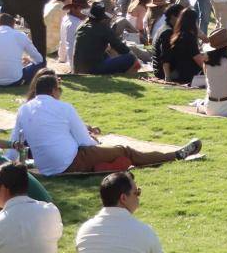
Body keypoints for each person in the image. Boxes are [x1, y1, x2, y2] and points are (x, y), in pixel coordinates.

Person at [10, 72, 200, 176]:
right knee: (124, 150)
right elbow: (85, 142)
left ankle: (110, 164)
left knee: (112, 159)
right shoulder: (64, 108)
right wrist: (99, 146)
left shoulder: (24, 109)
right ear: (54, 90)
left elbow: (13, 144)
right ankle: (174, 155)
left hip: (46, 167)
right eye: (59, 89)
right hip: (70, 161)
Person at [0, 12, 48, 88]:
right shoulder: (21, 36)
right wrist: (28, 61)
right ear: (13, 24)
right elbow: (39, 59)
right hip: (16, 80)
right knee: (43, 62)